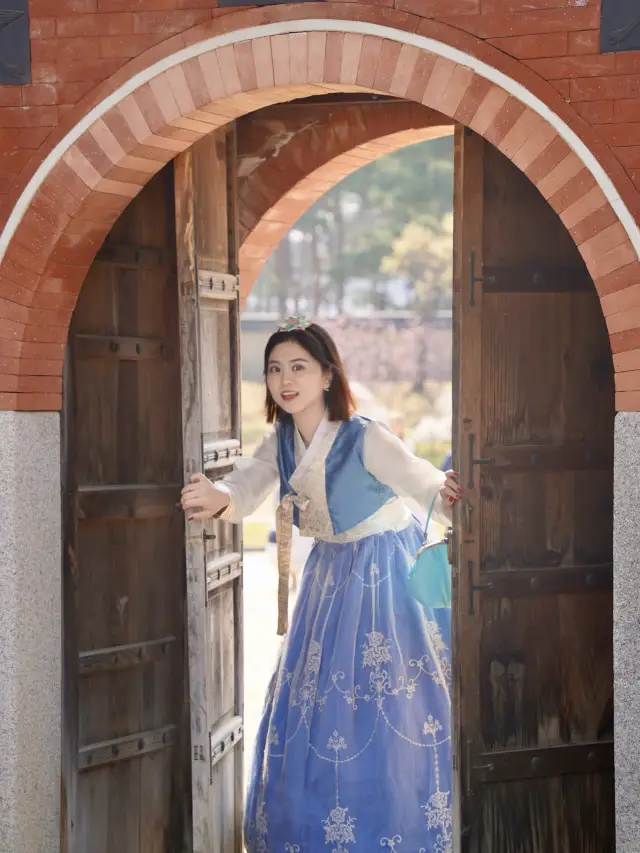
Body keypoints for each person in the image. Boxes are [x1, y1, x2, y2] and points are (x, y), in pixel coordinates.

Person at [181, 318, 461, 853]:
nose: (285, 380)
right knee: (315, 704)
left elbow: (420, 480)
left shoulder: (365, 436)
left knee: (387, 707)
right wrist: (217, 496)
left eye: (299, 367)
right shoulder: (281, 440)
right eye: (275, 369)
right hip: (329, 578)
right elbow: (247, 482)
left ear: (328, 374)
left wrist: (450, 496)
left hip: (384, 580)